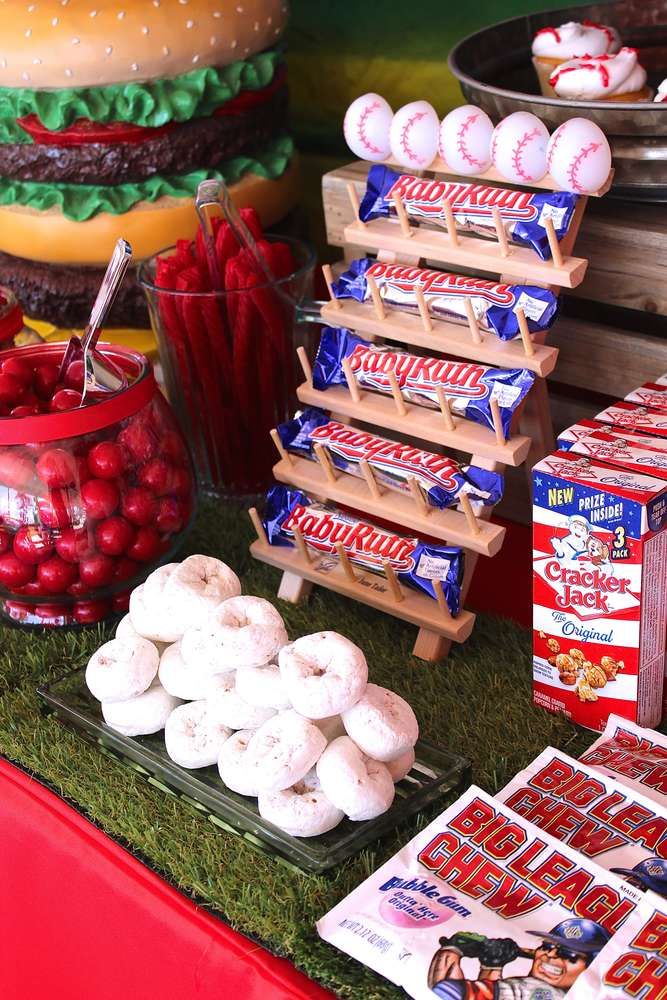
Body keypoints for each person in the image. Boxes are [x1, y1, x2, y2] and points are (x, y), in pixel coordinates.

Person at [427, 918, 609, 999]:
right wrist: (492, 965)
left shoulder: (540, 991)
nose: (551, 955)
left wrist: (452, 949)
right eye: (546, 946)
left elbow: (446, 991)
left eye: (568, 954)